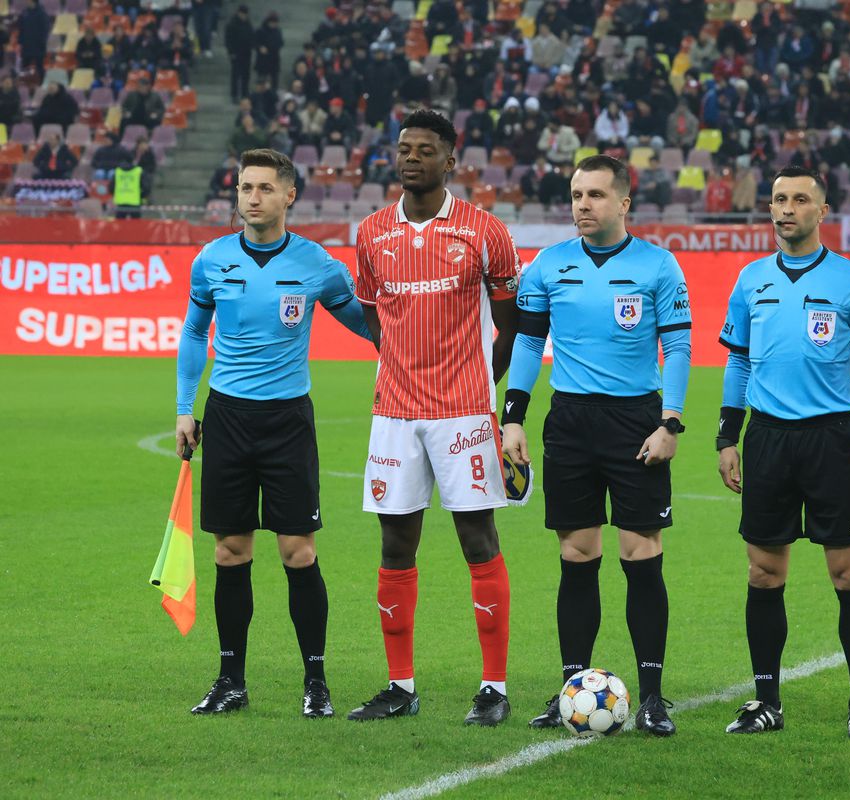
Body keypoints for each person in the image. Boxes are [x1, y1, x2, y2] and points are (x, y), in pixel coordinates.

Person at [174, 148, 375, 718]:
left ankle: (316, 681)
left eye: (264, 188)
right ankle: (230, 680)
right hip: (228, 419)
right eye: (245, 187)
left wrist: (418, 338)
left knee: (298, 551)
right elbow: (194, 332)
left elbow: (366, 325)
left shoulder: (317, 263)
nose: (253, 197)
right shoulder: (212, 259)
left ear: (289, 195)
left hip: (288, 421)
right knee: (230, 550)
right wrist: (186, 408)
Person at [502, 155, 692, 737]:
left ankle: (653, 697)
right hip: (570, 422)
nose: (582, 205)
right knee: (577, 555)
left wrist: (670, 423)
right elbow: (528, 345)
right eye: (576, 194)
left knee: (641, 554)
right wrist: (513, 418)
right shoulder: (547, 265)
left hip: (636, 422)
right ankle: (571, 690)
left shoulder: (658, 265)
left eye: (595, 195)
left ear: (624, 203)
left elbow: (678, 348)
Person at [349, 109, 521, 727]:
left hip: (463, 412)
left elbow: (511, 325)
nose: (411, 158)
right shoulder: (371, 232)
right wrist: (400, 363)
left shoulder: (484, 231)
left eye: (425, 150)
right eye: (404, 149)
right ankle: (400, 685)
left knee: (478, 539)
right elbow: (373, 315)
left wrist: (480, 382)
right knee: (395, 544)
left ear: (451, 161)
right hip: (394, 414)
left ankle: (494, 688)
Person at [715, 166, 850, 739]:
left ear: (822, 211)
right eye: (778, 199)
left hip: (830, 439)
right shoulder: (751, 279)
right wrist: (727, 436)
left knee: (849, 574)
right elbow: (738, 360)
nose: (786, 209)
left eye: (799, 199)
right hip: (766, 438)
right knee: (764, 572)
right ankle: (767, 702)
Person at [225, 5, 255, 103]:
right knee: (235, 75)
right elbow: (228, 40)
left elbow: (252, 36)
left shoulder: (248, 24)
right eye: (242, 14)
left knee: (246, 75)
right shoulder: (232, 24)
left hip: (246, 53)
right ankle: (234, 95)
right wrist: (231, 52)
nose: (244, 16)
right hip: (236, 53)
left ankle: (244, 93)